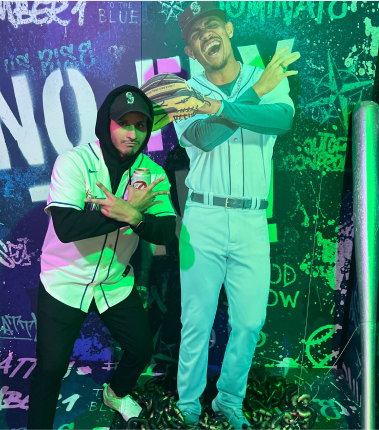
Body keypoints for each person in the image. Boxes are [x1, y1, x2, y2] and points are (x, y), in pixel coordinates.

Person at [173, 1, 300, 429]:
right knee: (196, 320)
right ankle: (189, 407)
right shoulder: (186, 91)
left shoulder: (263, 73)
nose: (205, 34)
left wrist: (243, 99)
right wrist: (256, 93)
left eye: (211, 25)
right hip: (202, 219)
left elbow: (281, 120)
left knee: (250, 320)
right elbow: (205, 138)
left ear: (227, 29)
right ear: (191, 50)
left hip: (250, 222)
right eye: (195, 33)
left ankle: (228, 399)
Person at [27, 85, 176, 430]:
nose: (133, 132)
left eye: (141, 125)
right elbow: (66, 226)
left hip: (113, 282)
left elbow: (166, 232)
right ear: (106, 124)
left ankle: (115, 393)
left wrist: (135, 216)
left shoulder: (152, 175)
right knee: (50, 369)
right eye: (124, 123)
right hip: (65, 279)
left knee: (140, 350)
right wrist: (121, 213)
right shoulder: (75, 161)